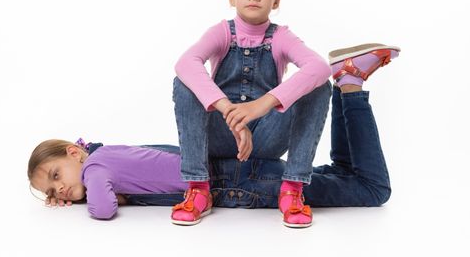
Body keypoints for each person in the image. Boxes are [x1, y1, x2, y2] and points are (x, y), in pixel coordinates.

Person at [28, 43, 400, 228]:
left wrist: (86, 195)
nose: (58, 190)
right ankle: (342, 81)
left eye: (55, 176)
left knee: (372, 190)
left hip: (247, 185)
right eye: (50, 190)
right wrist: (76, 192)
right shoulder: (110, 154)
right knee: (341, 172)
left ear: (74, 153)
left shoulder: (96, 170)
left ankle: (348, 85)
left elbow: (103, 210)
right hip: (244, 172)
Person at [171, 0, 331, 227]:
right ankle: (198, 187)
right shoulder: (221, 32)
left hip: (266, 138)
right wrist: (230, 112)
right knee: (183, 81)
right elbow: (185, 63)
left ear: (276, 0)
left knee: (319, 86)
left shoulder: (281, 37)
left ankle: (292, 189)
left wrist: (261, 105)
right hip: (220, 134)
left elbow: (320, 67)